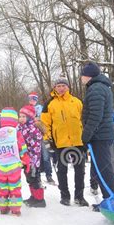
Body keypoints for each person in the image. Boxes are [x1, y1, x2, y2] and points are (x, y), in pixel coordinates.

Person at [41, 77, 89, 206]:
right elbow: (45, 124)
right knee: (62, 170)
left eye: (63, 85)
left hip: (78, 141)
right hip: (60, 143)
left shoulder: (77, 102)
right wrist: (48, 139)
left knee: (80, 170)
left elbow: (84, 120)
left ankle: (79, 196)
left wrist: (87, 137)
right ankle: (65, 196)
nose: (61, 88)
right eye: (58, 86)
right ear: (54, 88)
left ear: (68, 87)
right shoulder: (49, 104)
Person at [80, 62, 114, 205]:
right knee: (100, 169)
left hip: (100, 136)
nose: (81, 78)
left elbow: (95, 116)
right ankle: (108, 199)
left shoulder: (96, 89)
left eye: (83, 75)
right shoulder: (98, 87)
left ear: (88, 76)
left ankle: (113, 201)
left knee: (104, 170)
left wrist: (86, 135)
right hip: (100, 135)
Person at [0, 108, 29, 216]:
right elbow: (22, 147)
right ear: (14, 120)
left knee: (2, 187)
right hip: (13, 165)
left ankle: (2, 207)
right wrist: (25, 158)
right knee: (14, 187)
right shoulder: (16, 133)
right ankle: (15, 209)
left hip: (1, 166)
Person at [18, 106, 46, 208]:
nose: (21, 118)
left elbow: (35, 147)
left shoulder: (33, 129)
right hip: (25, 159)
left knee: (35, 179)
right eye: (20, 116)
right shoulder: (21, 127)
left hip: (33, 160)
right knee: (29, 178)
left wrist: (32, 161)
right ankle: (33, 196)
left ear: (29, 117)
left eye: (24, 116)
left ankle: (40, 200)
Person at [28, 92, 55, 185]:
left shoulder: (40, 107)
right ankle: (37, 175)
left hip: (42, 135)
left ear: (36, 100)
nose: (32, 101)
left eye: (33, 99)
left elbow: (43, 120)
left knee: (46, 156)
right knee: (35, 157)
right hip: (32, 137)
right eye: (30, 99)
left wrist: (37, 120)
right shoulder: (27, 109)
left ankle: (49, 175)